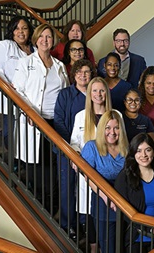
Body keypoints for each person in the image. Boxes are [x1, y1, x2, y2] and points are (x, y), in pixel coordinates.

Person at [12, 23, 69, 210]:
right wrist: (27, 112)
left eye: (49, 37)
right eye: (42, 36)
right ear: (36, 39)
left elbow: (66, 93)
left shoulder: (59, 66)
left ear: (53, 41)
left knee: (53, 166)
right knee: (36, 168)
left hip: (56, 122)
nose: (45, 40)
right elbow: (17, 92)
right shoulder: (25, 63)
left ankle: (52, 207)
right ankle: (40, 207)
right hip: (34, 121)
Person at [114, 132, 154, 252]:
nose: (143, 155)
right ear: (133, 153)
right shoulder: (124, 178)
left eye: (148, 150)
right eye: (138, 150)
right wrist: (148, 229)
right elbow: (123, 211)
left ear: (153, 152)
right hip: (136, 237)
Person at [53, 59, 96, 238]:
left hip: (91, 151)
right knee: (67, 188)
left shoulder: (95, 94)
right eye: (79, 72)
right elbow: (59, 121)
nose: (83, 75)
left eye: (86, 72)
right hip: (68, 150)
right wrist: (70, 148)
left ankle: (84, 223)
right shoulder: (65, 94)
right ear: (74, 74)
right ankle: (67, 225)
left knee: (87, 188)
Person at [70, 76, 112, 252]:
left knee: (104, 213)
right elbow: (74, 143)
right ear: (89, 93)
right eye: (94, 90)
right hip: (86, 172)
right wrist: (76, 157)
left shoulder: (114, 115)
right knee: (88, 214)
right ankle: (94, 249)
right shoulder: (81, 117)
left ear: (106, 93)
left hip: (108, 173)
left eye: (101, 90)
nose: (98, 94)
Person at [81, 110, 129, 253]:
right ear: (102, 129)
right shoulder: (91, 147)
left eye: (116, 128)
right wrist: (107, 198)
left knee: (124, 246)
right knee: (109, 248)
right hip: (103, 203)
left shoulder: (127, 149)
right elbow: (88, 177)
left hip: (125, 203)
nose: (112, 132)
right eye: (108, 128)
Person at [0, 15, 35, 149]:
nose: (21, 32)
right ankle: (12, 161)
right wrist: (8, 88)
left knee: (27, 133)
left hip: (31, 98)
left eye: (24, 28)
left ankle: (23, 160)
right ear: (12, 31)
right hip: (10, 97)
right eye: (17, 29)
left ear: (29, 31)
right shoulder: (5, 46)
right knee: (10, 132)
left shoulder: (35, 50)